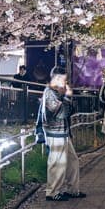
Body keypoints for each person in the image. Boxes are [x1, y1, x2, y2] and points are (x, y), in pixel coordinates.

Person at [39, 70, 84, 201]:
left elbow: (71, 111)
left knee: (72, 160)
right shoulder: (49, 93)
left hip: (63, 132)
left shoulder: (57, 93)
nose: (65, 83)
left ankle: (73, 189)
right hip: (54, 133)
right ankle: (52, 192)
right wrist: (67, 97)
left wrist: (66, 97)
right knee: (57, 163)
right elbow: (62, 112)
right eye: (64, 80)